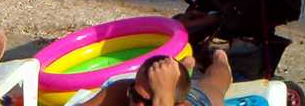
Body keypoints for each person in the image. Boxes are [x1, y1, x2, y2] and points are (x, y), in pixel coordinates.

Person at [80, 50, 231, 106]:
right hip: (173, 92)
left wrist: (163, 94)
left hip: (196, 99)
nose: (138, 105)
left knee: (216, 81)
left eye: (148, 102)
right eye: (135, 96)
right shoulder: (123, 90)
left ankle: (220, 58)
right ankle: (183, 66)